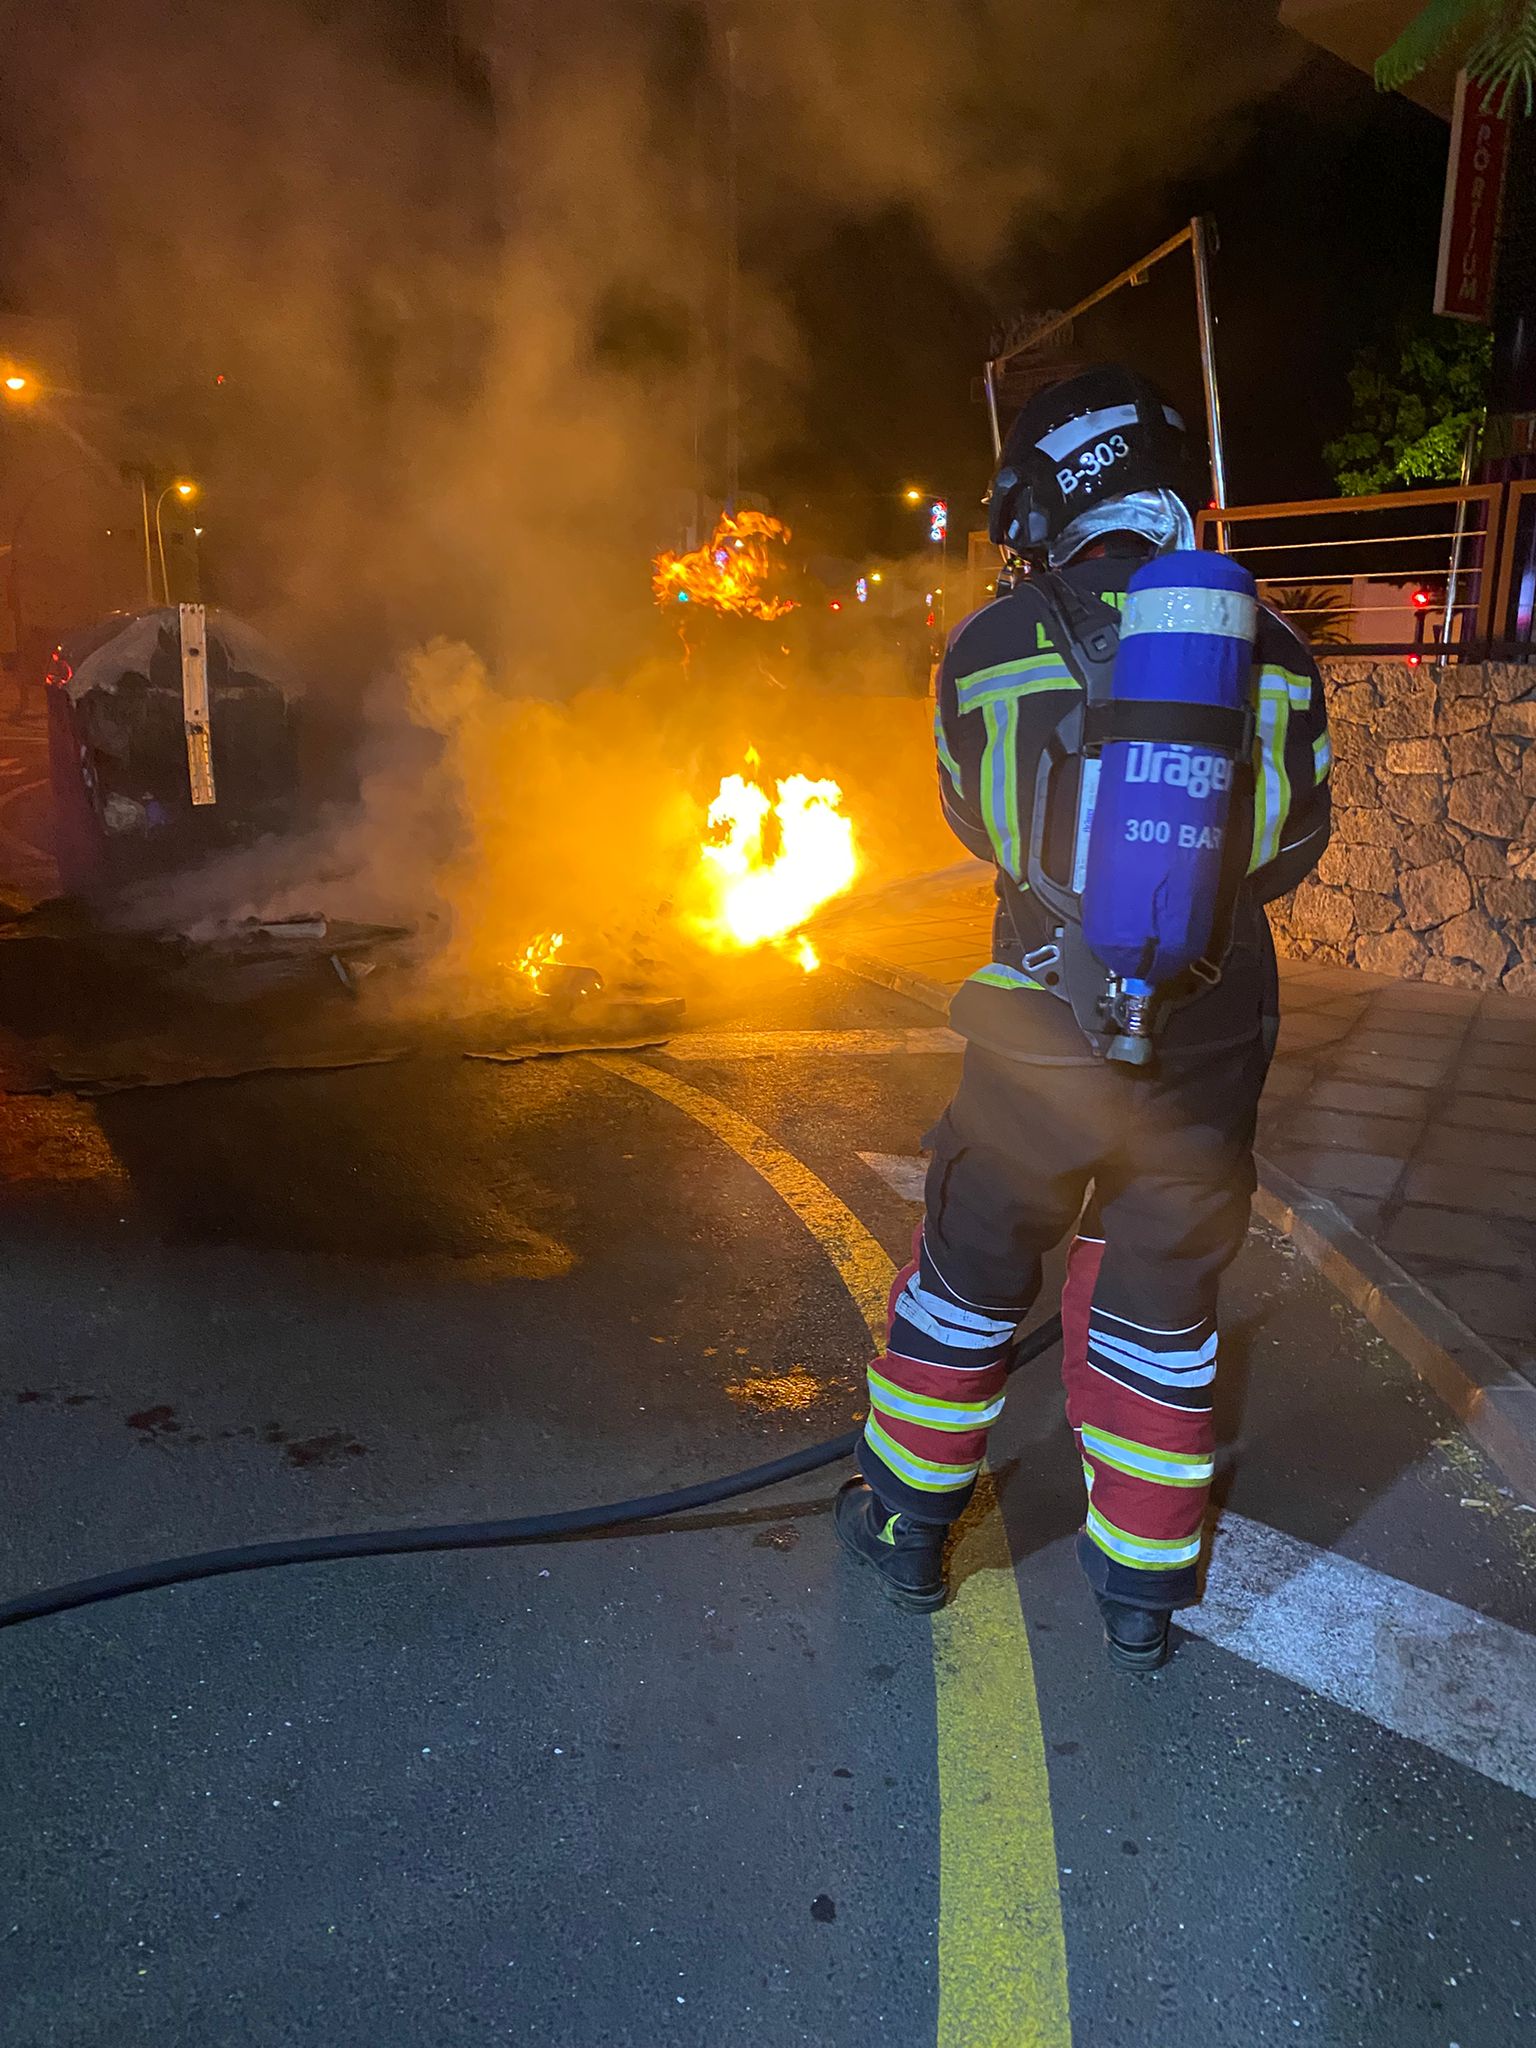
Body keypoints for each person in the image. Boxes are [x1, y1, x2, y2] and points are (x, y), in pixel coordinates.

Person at [835, 365, 1332, 1670]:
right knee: (1162, 1308)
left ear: (1051, 501)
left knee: (970, 1271)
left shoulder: (992, 648)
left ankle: (903, 1526)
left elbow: (966, 813)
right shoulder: (1271, 653)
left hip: (1037, 1027)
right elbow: (1291, 849)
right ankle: (1141, 1595)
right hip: (1213, 1034)